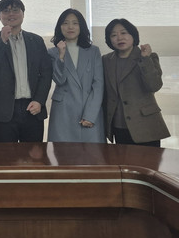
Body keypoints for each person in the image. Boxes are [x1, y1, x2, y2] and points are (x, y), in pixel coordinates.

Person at [0, 0, 52, 142]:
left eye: (15, 10)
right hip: (3, 110)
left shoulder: (36, 40)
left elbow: (46, 73)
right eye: (6, 11)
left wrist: (39, 100)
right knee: (4, 155)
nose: (11, 14)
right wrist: (2, 41)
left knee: (33, 154)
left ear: (23, 14)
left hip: (32, 107)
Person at [102, 18, 170, 147]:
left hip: (146, 125)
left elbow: (154, 85)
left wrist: (145, 59)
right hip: (118, 125)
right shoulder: (106, 60)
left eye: (124, 33)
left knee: (149, 160)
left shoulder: (148, 57)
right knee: (122, 160)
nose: (119, 38)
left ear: (133, 35)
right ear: (109, 40)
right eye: (114, 35)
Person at [47, 8, 105, 142]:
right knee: (63, 152)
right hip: (63, 112)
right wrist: (61, 56)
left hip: (89, 109)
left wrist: (90, 114)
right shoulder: (52, 52)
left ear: (81, 26)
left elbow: (98, 85)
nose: (70, 27)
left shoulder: (93, 51)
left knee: (93, 153)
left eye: (75, 23)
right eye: (65, 23)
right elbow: (59, 80)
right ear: (59, 27)